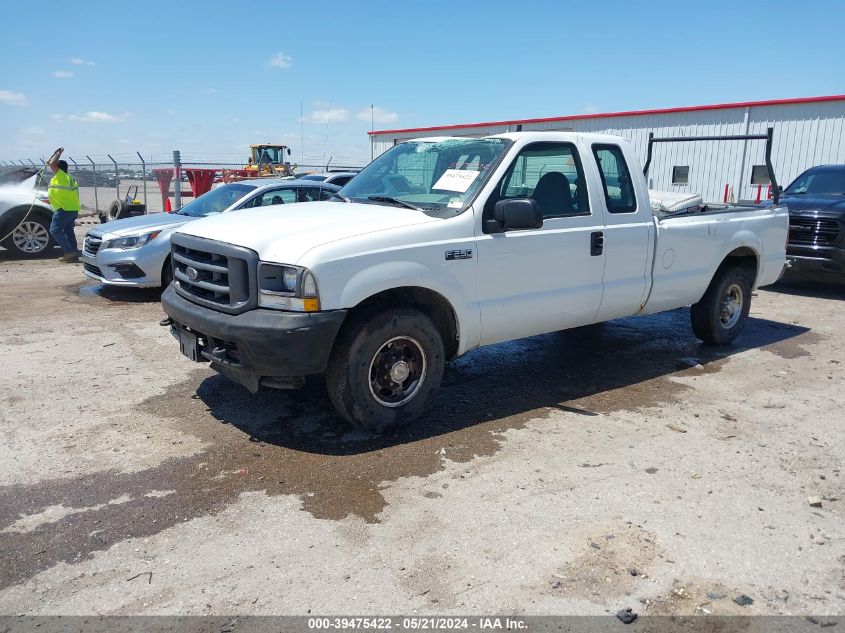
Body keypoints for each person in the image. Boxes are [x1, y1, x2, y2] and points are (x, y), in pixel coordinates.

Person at [46, 147, 81, 263]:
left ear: (58, 168)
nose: (52, 168)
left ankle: (68, 251)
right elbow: (62, 193)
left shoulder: (61, 176)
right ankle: (74, 254)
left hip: (64, 210)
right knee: (68, 232)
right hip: (72, 210)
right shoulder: (68, 178)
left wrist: (58, 153)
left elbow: (51, 163)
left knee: (55, 230)